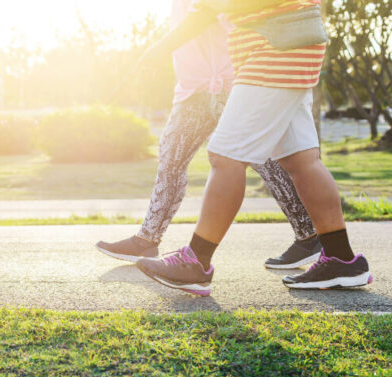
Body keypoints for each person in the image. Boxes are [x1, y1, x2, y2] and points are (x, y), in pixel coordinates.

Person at [134, 0, 372, 296]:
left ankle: (196, 261)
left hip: (273, 47)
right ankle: (341, 259)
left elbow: (209, 10)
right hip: (292, 43)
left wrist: (160, 48)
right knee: (300, 159)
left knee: (225, 156)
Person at [96, 0, 322, 275]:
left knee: (265, 162)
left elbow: (209, 16)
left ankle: (309, 236)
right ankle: (147, 239)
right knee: (170, 159)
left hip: (233, 80)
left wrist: (157, 50)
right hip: (193, 89)